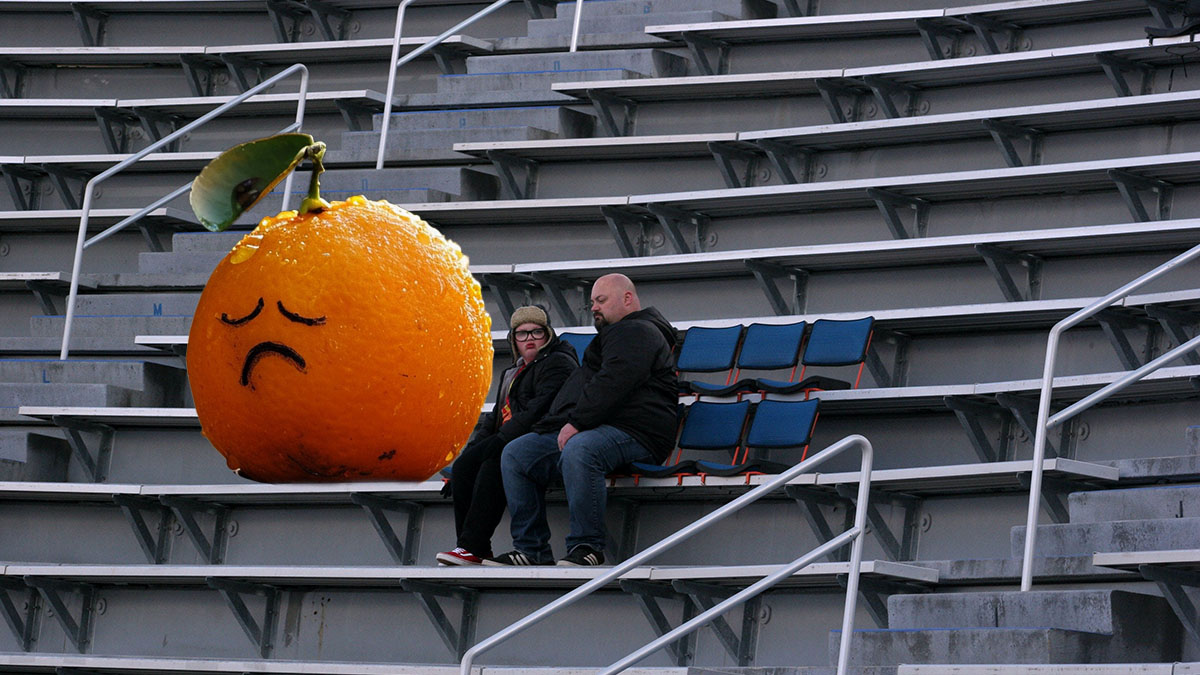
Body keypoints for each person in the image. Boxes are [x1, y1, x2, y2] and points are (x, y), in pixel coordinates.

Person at [487, 274, 677, 567]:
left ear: (627, 299)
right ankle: (531, 549)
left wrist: (576, 422)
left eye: (601, 300)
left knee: (580, 448)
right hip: (600, 426)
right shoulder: (617, 333)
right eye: (591, 303)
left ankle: (587, 546)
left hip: (638, 432)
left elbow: (614, 383)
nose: (594, 308)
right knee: (516, 453)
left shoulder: (639, 331)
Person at [435, 306, 578, 566]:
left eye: (537, 331)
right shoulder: (513, 371)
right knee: (464, 467)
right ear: (513, 339)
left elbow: (539, 410)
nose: (530, 338)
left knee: (494, 461)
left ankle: (472, 546)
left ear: (548, 335)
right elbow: (495, 418)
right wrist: (472, 453)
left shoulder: (558, 362)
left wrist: (499, 441)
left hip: (544, 437)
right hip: (513, 435)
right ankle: (472, 547)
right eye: (522, 334)